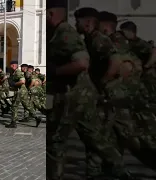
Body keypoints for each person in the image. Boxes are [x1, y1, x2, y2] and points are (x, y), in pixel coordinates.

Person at [47, 2, 137, 179]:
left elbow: (83, 63)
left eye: (78, 21)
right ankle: (117, 171)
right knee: (96, 138)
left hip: (73, 96)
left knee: (55, 141)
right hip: (85, 95)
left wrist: (55, 71)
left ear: (50, 14)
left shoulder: (67, 33)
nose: (76, 24)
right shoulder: (76, 35)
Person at [6, 61, 42, 128]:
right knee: (27, 106)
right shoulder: (15, 72)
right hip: (23, 91)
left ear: (13, 65)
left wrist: (14, 84)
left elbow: (22, 81)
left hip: (20, 91)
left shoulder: (18, 72)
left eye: (11, 65)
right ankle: (37, 117)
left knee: (14, 106)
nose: (10, 67)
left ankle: (13, 123)